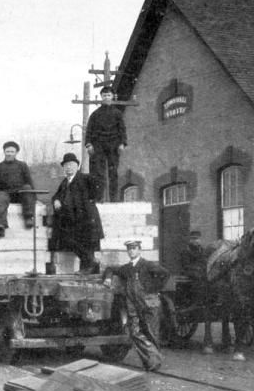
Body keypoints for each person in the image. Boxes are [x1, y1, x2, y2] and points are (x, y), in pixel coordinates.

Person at [108, 240, 169, 371]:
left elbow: (165, 274)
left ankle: (152, 363)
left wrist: (153, 288)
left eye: (134, 248)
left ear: (139, 250)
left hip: (149, 304)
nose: (131, 251)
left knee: (152, 334)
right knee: (134, 332)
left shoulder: (147, 265)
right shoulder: (127, 268)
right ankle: (154, 359)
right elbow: (111, 269)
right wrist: (108, 277)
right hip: (134, 306)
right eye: (129, 249)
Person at [48, 152, 104, 274]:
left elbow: (99, 185)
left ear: (77, 166)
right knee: (68, 239)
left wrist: (93, 199)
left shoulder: (84, 178)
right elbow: (56, 195)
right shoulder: (65, 182)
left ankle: (87, 267)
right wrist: (56, 200)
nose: (68, 167)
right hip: (72, 220)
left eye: (71, 165)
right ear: (63, 168)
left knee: (86, 243)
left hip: (86, 218)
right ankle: (90, 263)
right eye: (66, 165)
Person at [0, 141, 35, 237]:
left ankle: (28, 218)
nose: (9, 154)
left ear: (16, 153)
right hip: (5, 193)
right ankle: (0, 226)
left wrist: (35, 198)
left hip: (20, 194)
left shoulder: (22, 165)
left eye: (12, 152)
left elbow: (29, 181)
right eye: (7, 151)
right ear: (4, 152)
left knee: (27, 188)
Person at [85, 85, 127, 202]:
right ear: (101, 97)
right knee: (98, 172)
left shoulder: (117, 114)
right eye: (104, 95)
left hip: (113, 145)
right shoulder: (95, 114)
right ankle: (99, 199)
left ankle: (114, 199)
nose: (106, 97)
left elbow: (122, 129)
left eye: (109, 95)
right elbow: (89, 130)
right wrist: (89, 144)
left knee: (113, 172)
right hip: (98, 145)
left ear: (112, 96)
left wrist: (122, 143)